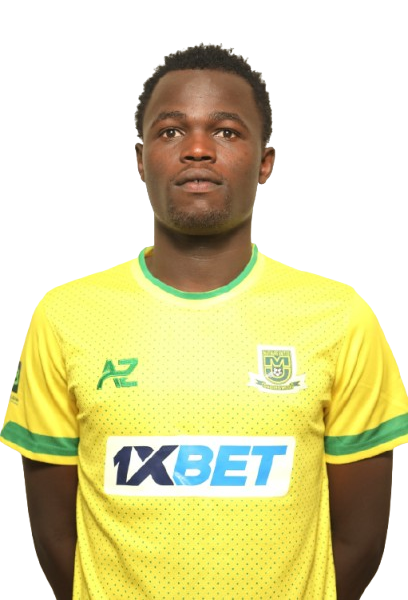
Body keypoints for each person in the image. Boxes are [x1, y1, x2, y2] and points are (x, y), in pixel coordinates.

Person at [1, 43, 407, 600]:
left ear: (265, 162)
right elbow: (55, 537)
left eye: (226, 131)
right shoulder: (64, 315)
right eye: (171, 131)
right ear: (140, 160)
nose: (197, 149)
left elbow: (359, 542)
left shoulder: (339, 318)